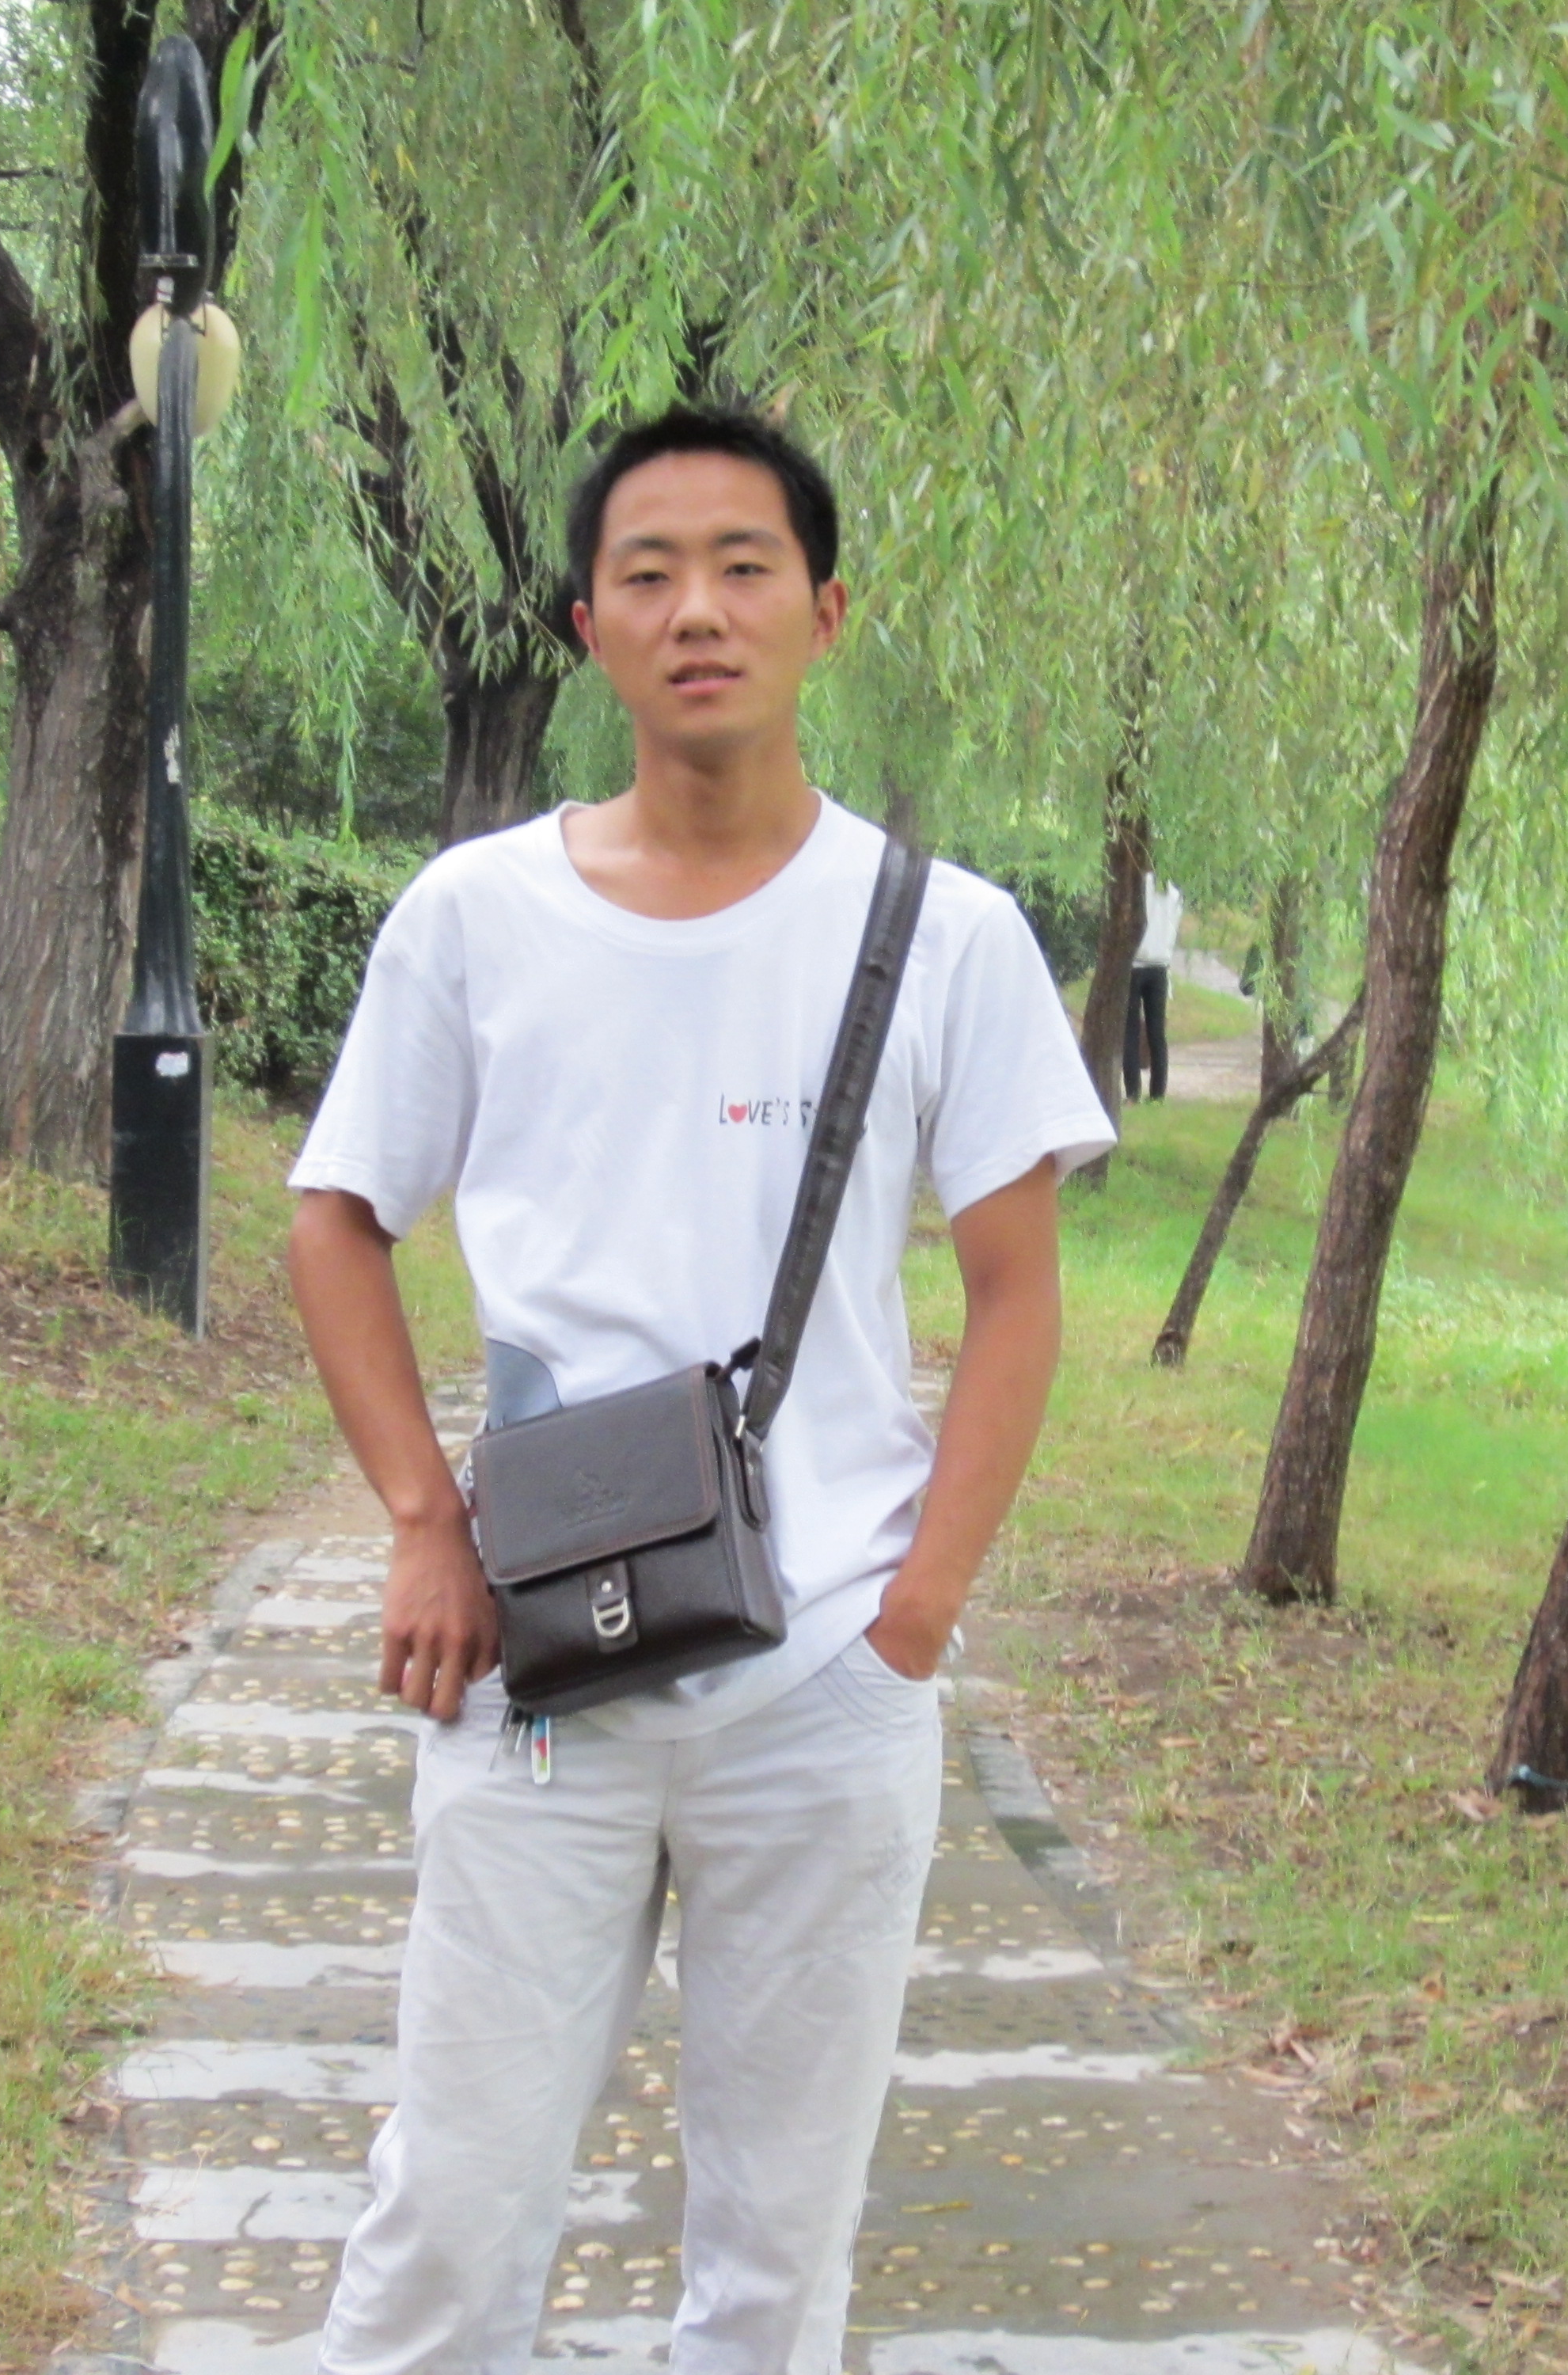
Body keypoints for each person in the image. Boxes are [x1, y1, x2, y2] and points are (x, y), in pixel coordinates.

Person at [283, 406, 1113, 2375]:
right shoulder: (476, 917)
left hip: (820, 1687)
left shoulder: (945, 935)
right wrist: (420, 1525)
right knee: (450, 2223)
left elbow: (1014, 1296)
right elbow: (335, 1217)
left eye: (745, 567)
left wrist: (911, 1620)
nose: (697, 611)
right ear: (588, 629)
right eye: (645, 575)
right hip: (532, 1675)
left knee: (770, 2269)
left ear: (827, 611)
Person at [1124, 872, 1183, 1102]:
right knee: (1157, 1032)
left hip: (1135, 964)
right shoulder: (1175, 894)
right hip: (1160, 966)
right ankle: (1158, 1093)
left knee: (1131, 1031)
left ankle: (1133, 1092)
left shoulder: (1138, 887)